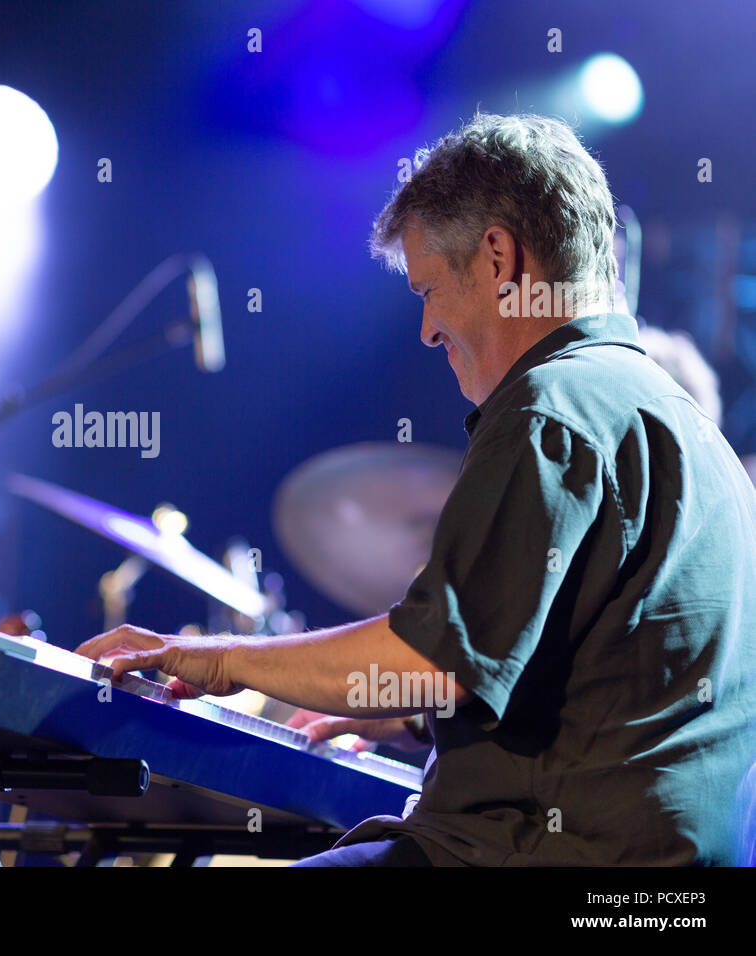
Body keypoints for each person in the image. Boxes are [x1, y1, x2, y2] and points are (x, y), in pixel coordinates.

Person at [75, 113, 756, 866]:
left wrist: (220, 659)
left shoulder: (551, 408)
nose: (428, 330)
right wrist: (408, 720)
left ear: (499, 256)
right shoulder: (690, 430)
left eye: (428, 289)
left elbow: (435, 662)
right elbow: (605, 676)